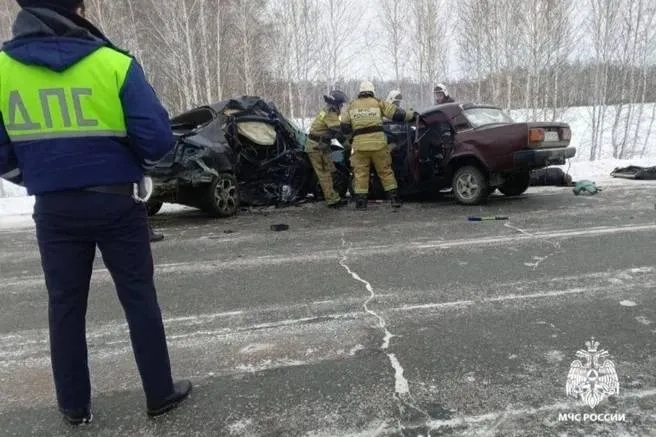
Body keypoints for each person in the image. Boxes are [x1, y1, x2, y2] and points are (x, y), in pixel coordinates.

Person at [0, 0, 191, 425]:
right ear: (77, 10)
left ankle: (74, 407)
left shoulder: (2, 71)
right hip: (116, 201)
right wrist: (129, 165)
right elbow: (158, 141)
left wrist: (39, 173)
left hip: (54, 208)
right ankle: (159, 393)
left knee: (64, 306)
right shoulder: (114, 64)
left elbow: (1, 154)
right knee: (139, 297)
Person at [340, 81, 415, 209]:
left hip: (360, 146)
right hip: (378, 145)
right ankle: (394, 200)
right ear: (372, 91)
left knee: (361, 174)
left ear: (360, 92)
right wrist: (412, 115)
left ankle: (361, 203)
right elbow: (397, 114)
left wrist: (353, 137)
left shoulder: (351, 106)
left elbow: (345, 127)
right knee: (385, 172)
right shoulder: (378, 102)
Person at [306, 90, 350, 208]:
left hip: (321, 145)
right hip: (317, 147)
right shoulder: (331, 113)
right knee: (325, 174)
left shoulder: (327, 110)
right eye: (341, 105)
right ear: (337, 104)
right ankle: (332, 200)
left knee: (331, 170)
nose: (341, 107)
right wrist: (348, 145)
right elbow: (337, 131)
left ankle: (333, 196)